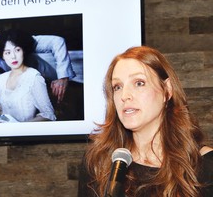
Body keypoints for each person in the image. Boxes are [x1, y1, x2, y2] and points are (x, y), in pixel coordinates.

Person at [78, 46, 213, 197]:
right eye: (117, 87)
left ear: (167, 90)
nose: (125, 95)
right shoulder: (97, 163)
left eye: (139, 83)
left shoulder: (206, 165)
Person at [0, 29, 56, 122]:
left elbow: (48, 114)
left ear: (23, 51)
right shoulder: (1, 79)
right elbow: (2, 116)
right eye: (7, 53)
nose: (13, 56)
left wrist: (21, 128)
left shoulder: (33, 76)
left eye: (17, 50)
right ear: (2, 56)